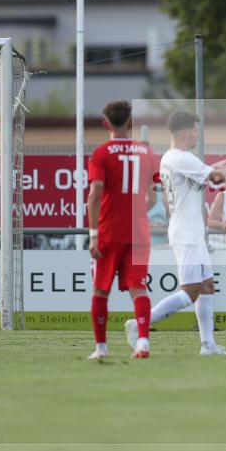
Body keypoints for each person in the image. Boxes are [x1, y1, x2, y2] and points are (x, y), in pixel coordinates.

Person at [124, 111, 226, 356]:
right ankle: (140, 323)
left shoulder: (174, 158)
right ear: (184, 133)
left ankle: (208, 345)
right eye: (195, 130)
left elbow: (206, 175)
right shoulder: (180, 157)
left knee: (207, 287)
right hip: (186, 234)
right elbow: (214, 177)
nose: (197, 134)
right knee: (191, 290)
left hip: (192, 232)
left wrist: (221, 167)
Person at [87, 100, 158, 360]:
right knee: (138, 289)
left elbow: (94, 194)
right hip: (139, 233)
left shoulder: (101, 153)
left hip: (108, 232)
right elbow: (152, 199)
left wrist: (93, 235)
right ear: (131, 123)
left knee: (100, 290)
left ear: (105, 123)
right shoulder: (147, 153)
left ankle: (101, 348)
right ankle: (142, 342)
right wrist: (136, 213)